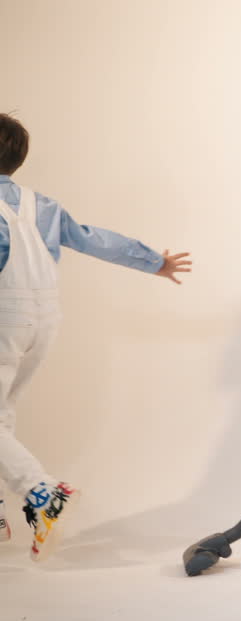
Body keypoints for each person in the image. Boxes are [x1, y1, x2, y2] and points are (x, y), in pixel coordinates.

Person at [0, 112, 192, 561]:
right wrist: (152, 261)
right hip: (44, 320)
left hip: (4, 317)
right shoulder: (39, 204)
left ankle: (44, 494)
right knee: (2, 416)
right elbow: (90, 238)